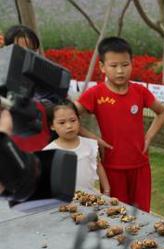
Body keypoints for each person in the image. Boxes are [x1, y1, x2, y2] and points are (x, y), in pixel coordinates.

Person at [75, 37, 164, 212]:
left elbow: (162, 113)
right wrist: (95, 139)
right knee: (116, 214)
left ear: (132, 64)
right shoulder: (95, 94)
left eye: (125, 65)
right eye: (114, 65)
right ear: (102, 67)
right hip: (112, 167)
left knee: (142, 215)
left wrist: (148, 138)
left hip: (140, 166)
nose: (120, 71)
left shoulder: (140, 92)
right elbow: (68, 118)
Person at [3, 25, 52, 153]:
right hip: (9, 153)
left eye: (32, 50)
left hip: (42, 152)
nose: (27, 55)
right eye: (20, 49)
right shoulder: (3, 79)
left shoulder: (48, 81)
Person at [43, 101, 109, 194]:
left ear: (79, 120)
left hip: (93, 199)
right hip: (67, 203)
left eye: (73, 120)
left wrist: (107, 189)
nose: (69, 126)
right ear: (52, 126)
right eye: (62, 122)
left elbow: (98, 167)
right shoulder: (49, 151)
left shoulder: (90, 144)